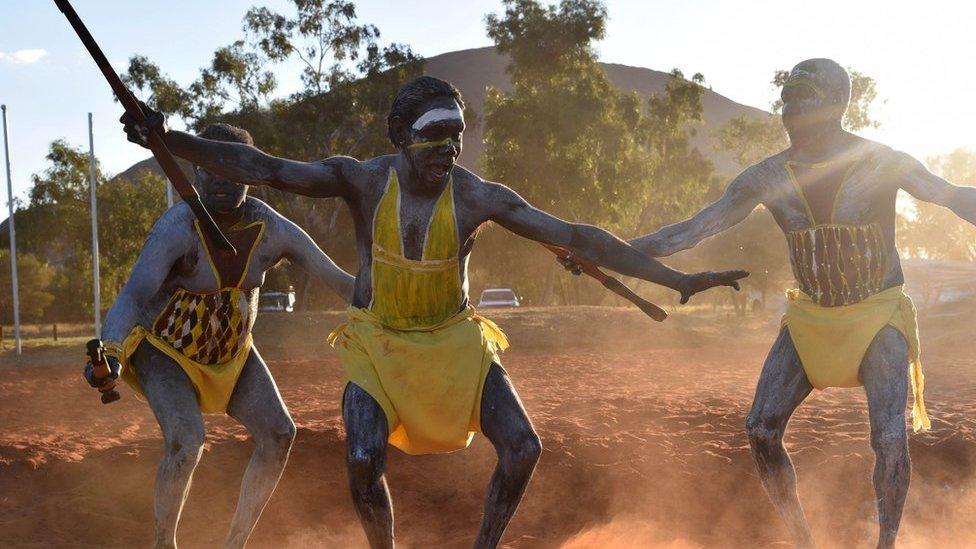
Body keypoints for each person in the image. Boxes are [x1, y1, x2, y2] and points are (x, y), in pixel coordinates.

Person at [121, 76, 747, 548]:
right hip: (381, 345)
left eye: (455, 137)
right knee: (363, 460)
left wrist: (675, 277)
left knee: (523, 448)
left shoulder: (477, 197)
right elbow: (264, 168)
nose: (446, 148)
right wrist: (167, 138)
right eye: (432, 135)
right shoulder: (363, 181)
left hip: (455, 343)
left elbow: (582, 235)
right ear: (401, 137)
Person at [626, 59, 976, 548]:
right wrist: (606, 248)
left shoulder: (882, 162)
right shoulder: (766, 177)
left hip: (877, 316)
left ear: (836, 105)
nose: (791, 108)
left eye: (804, 96)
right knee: (761, 429)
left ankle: (887, 543)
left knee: (890, 439)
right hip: (810, 319)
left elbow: (952, 195)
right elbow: (690, 230)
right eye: (787, 97)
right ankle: (802, 540)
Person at [87, 123, 354, 548]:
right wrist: (112, 350)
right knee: (187, 440)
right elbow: (135, 293)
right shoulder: (178, 227)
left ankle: (235, 544)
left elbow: (340, 281)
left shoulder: (271, 227)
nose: (223, 181)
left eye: (234, 172)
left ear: (252, 174)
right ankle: (164, 543)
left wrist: (398, 291)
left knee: (280, 433)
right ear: (195, 172)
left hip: (233, 353)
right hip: (165, 351)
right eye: (212, 169)